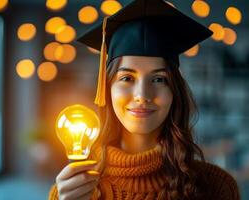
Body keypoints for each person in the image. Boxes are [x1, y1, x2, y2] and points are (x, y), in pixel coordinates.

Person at [48, 0, 240, 199]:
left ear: (174, 91)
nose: (142, 95)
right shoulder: (69, 192)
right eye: (126, 78)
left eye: (158, 79)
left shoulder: (216, 188)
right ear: (107, 89)